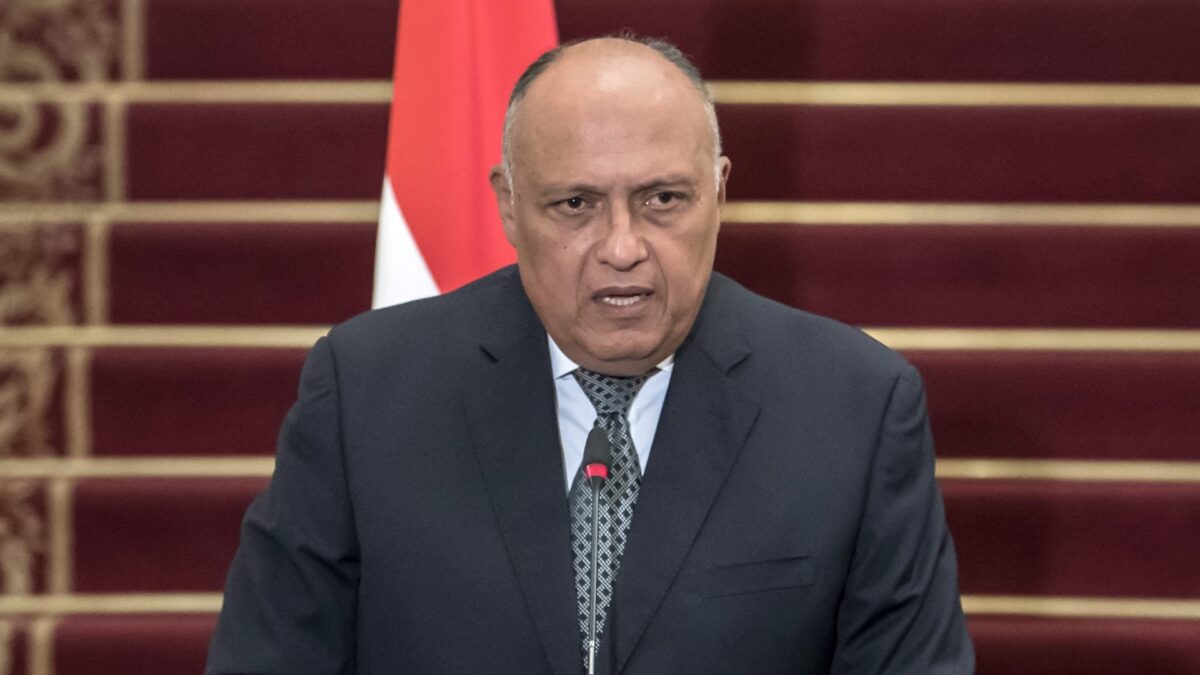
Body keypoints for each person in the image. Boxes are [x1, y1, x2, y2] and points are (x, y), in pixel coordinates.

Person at [206, 35, 974, 674]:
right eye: (575, 204)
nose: (622, 247)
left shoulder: (856, 407)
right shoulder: (367, 391)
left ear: (719, 191)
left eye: (662, 199)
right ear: (509, 204)